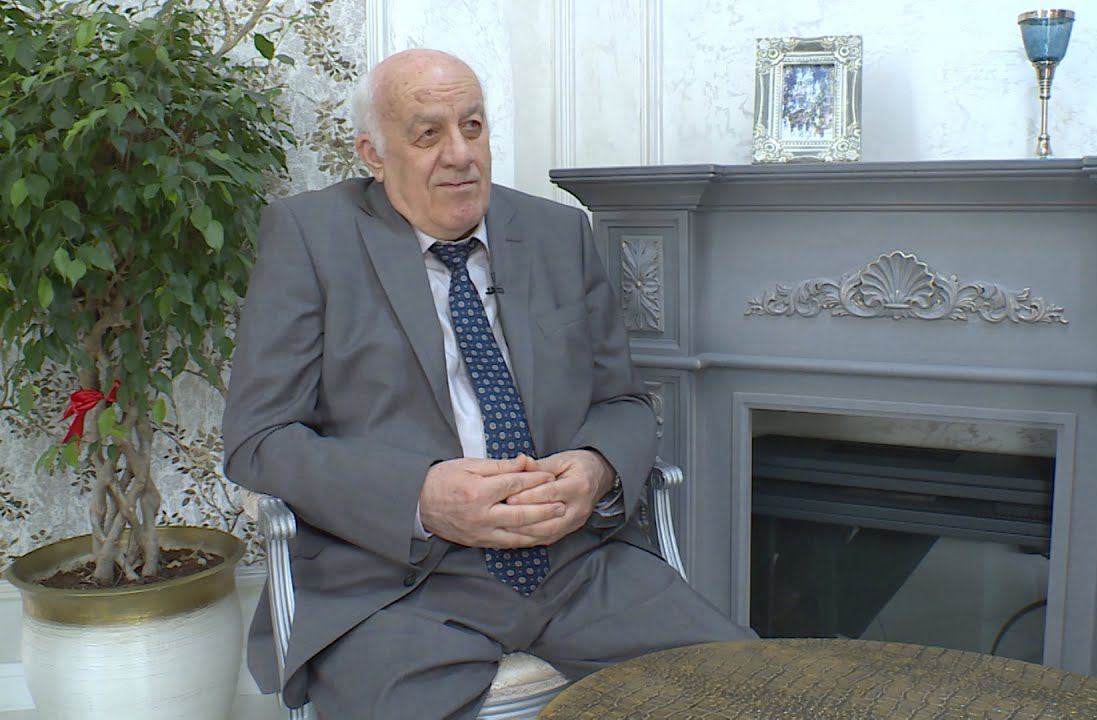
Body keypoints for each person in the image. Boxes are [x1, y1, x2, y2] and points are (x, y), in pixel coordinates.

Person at [222, 48, 751, 719]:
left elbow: (621, 401)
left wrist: (594, 469)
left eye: (472, 127)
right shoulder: (310, 237)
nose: (461, 154)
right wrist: (419, 496)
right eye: (428, 134)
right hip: (395, 586)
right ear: (373, 155)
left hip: (574, 566)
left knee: (751, 689)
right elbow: (259, 439)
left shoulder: (558, 232)